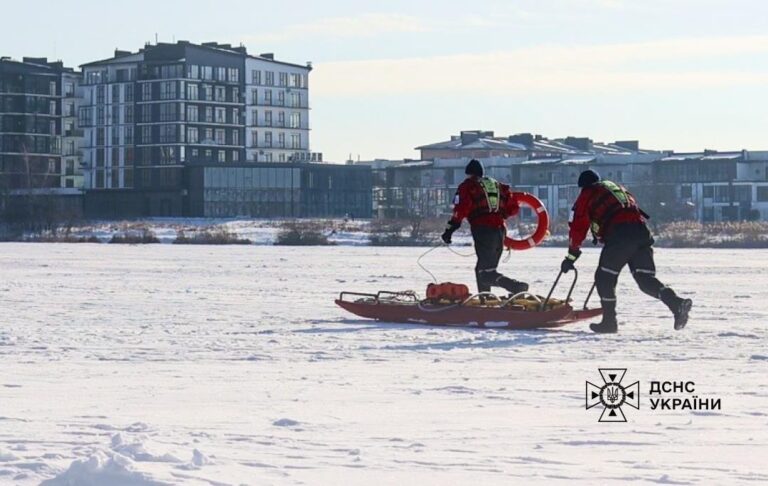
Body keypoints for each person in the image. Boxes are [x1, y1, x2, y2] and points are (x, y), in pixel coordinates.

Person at [560, 169, 692, 333]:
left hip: (620, 236)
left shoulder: (587, 195)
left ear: (582, 186)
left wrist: (571, 257)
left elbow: (578, 227)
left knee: (604, 278)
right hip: (641, 233)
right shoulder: (616, 189)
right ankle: (676, 303)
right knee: (645, 279)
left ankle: (609, 322)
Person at [441, 159, 529, 296]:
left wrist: (449, 230)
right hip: (500, 231)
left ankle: (514, 286)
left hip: (483, 230)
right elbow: (513, 208)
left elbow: (461, 209)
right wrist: (501, 214)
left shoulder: (468, 186)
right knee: (487, 270)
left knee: (484, 273)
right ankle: (486, 298)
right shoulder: (497, 185)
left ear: (469, 173)